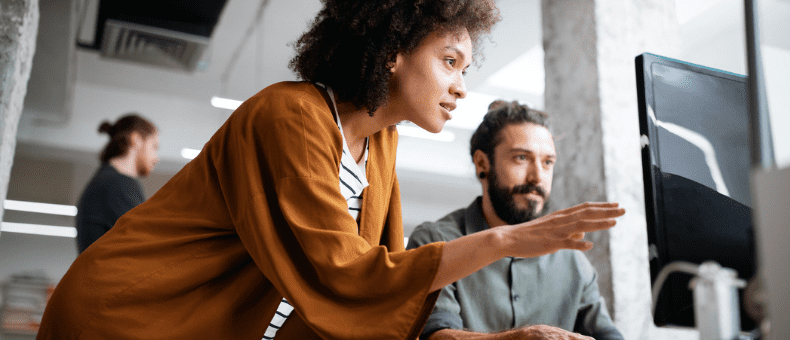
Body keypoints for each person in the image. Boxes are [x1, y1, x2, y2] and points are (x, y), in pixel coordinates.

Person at [37, 1, 624, 339]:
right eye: (449, 61)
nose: (461, 87)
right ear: (394, 50)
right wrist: (501, 241)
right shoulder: (290, 115)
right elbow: (346, 274)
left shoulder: (382, 144)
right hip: (128, 319)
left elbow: (375, 294)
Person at [408, 100, 624, 340]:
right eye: (521, 158)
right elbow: (434, 336)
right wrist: (521, 338)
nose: (537, 177)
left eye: (547, 162)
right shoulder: (435, 242)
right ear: (482, 163)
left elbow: (608, 335)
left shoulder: (573, 260)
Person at [75, 114, 160, 254]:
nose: (157, 158)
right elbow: (147, 244)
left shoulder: (109, 181)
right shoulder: (117, 185)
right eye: (154, 146)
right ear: (136, 139)